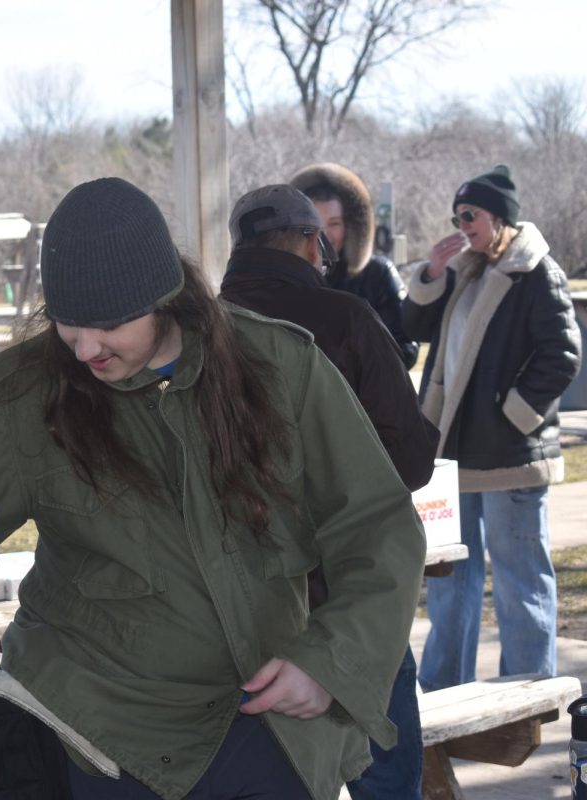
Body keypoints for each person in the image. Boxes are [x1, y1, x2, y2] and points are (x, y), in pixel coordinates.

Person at [0, 177, 426, 799]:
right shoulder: (27, 395)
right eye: (68, 323)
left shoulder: (280, 368)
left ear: (162, 298)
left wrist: (331, 664)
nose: (85, 347)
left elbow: (378, 526)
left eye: (108, 324)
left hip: (263, 726)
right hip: (100, 737)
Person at [220, 183, 439, 800]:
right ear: (312, 243)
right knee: (384, 776)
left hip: (237, 602)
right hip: (346, 592)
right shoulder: (344, 320)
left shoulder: (200, 331)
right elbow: (410, 461)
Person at [404, 165, 581, 691]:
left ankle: (529, 694)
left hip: (511, 457)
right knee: (449, 579)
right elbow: (412, 328)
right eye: (456, 215)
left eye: (470, 214)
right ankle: (445, 692)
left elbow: (563, 355)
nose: (461, 225)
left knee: (518, 580)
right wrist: (432, 276)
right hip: (455, 455)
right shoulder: (465, 269)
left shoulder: (536, 271)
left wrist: (514, 414)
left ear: (500, 217)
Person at [289, 163, 418, 369]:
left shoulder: (378, 274)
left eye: (334, 224)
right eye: (314, 224)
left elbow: (405, 348)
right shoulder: (285, 278)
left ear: (351, 226)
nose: (324, 235)